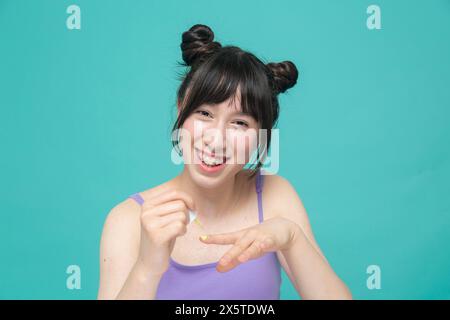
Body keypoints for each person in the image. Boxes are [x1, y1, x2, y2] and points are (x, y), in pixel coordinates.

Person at [97, 24, 352, 300]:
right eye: (204, 113)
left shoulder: (274, 196)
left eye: (240, 123)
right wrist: (147, 269)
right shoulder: (128, 220)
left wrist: (293, 240)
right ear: (182, 108)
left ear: (261, 135)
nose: (216, 140)